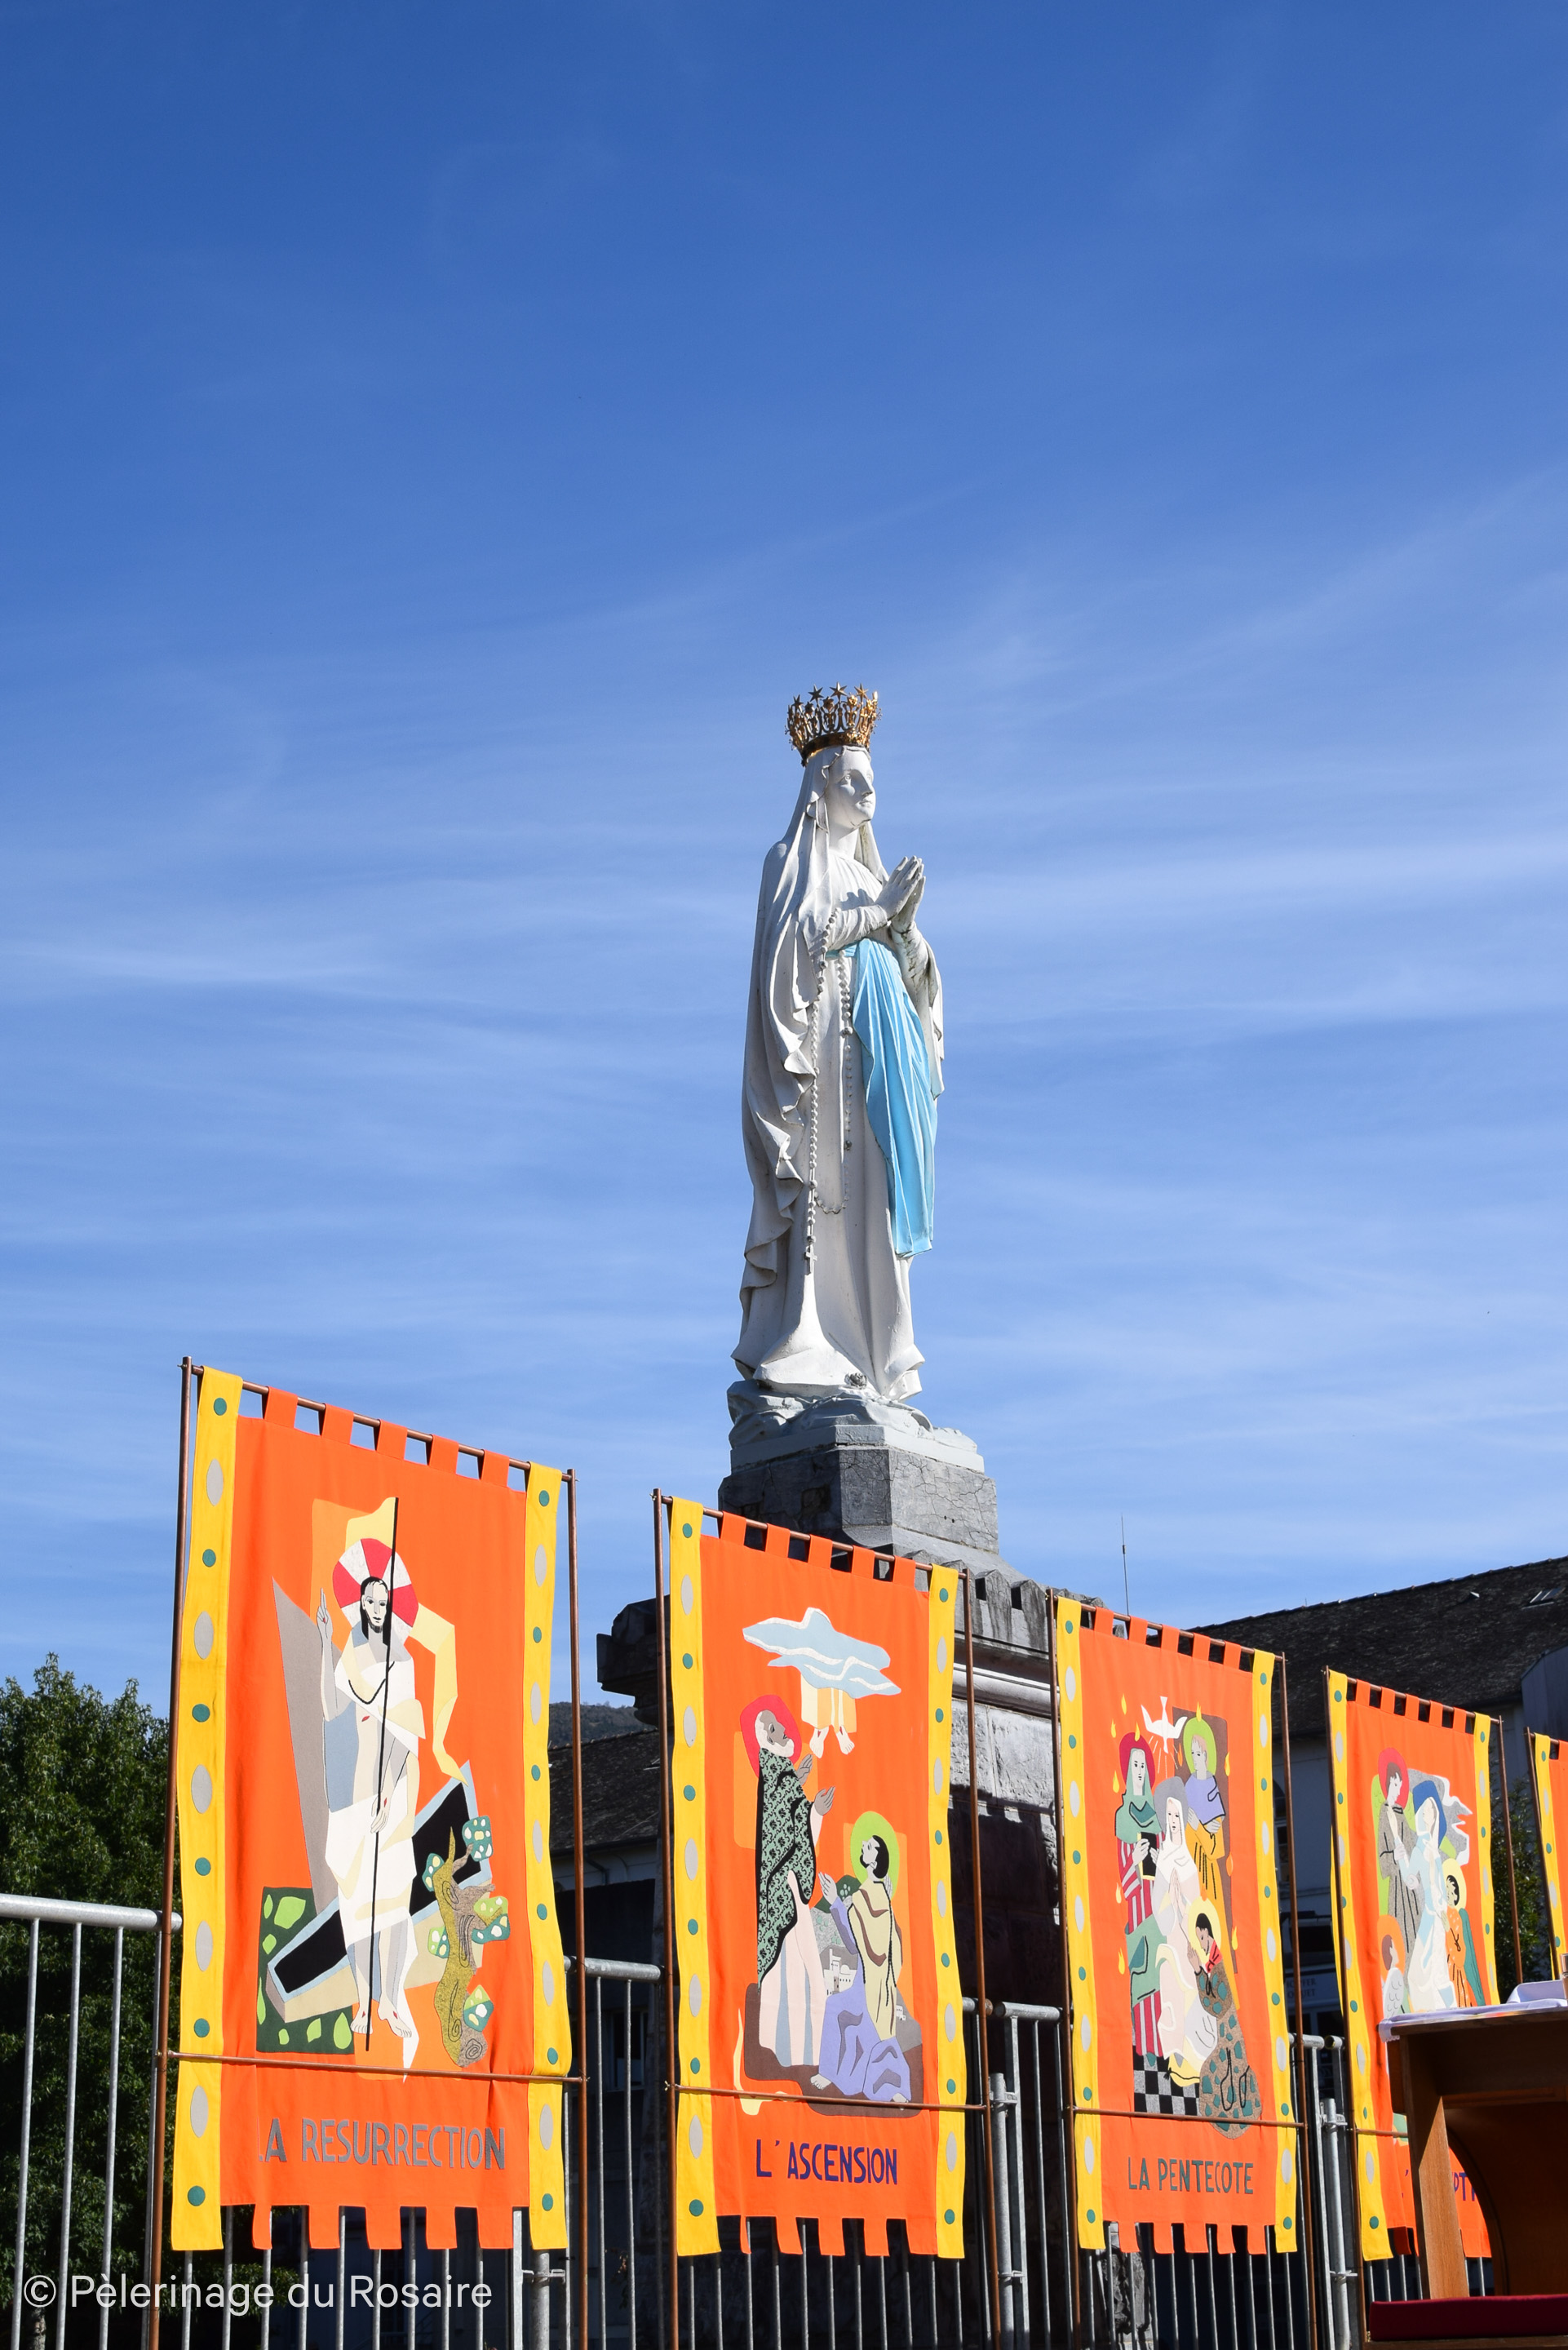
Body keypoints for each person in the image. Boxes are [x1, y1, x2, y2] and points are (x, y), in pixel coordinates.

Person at [736, 700, 944, 1406]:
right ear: (821, 783)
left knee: (875, 1201)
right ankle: (814, 1342)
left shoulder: (870, 876)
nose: (866, 791)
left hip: (884, 1062)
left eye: (871, 780)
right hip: (824, 1057)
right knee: (826, 1195)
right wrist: (879, 915)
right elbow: (798, 943)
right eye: (851, 778)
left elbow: (921, 982)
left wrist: (904, 931)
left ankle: (880, 1357)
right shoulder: (790, 862)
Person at [317, 1541, 424, 2065]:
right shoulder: (353, 1655)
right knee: (357, 1897)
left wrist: (387, 1789)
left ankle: (392, 1999)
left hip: (393, 1785)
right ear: (360, 1605)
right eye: (370, 1601)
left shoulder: (402, 1660)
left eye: (384, 1602)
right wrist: (325, 1643)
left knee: (394, 1895)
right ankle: (363, 1998)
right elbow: (330, 1706)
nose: (377, 1609)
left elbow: (405, 1733)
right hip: (356, 1785)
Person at [742, 1698, 835, 2067]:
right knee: (790, 1970)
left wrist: (811, 1802)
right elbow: (782, 1826)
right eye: (775, 1727)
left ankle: (808, 2054)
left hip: (791, 1885)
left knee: (806, 1971)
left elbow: (793, 1821)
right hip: (783, 1887)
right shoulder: (774, 1772)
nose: (784, 1730)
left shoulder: (780, 1773)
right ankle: (785, 2052)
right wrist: (810, 1803)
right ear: (767, 1736)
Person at [812, 1833, 910, 2101]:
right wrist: (836, 1903)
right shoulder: (871, 1895)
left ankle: (885, 2085)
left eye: (870, 1846)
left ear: (875, 1860)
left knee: (838, 2009)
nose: (864, 1847)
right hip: (869, 1981)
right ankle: (841, 2076)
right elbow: (863, 1945)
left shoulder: (869, 1896)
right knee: (841, 2011)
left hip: (872, 1985)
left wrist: (835, 1902)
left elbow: (858, 1944)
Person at [1152, 1779, 1216, 2086]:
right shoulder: (1164, 1861)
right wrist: (1172, 1905)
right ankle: (1176, 2059)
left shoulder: (1188, 1860)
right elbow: (1158, 1909)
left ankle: (1198, 2060)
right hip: (1173, 1941)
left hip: (1193, 1941)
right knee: (1172, 1986)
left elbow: (1198, 1904)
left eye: (1178, 1815)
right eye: (1170, 1816)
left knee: (1198, 1996)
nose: (1174, 1821)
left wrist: (1185, 1905)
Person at [1191, 1909, 1260, 2136]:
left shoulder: (1218, 1966)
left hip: (1229, 2035)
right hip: (1226, 2034)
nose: (1201, 1943)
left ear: (1207, 1932)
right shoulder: (1215, 1963)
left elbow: (1217, 2006)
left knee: (1222, 2072)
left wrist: (1198, 1971)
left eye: (1202, 1937)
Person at [1115, 1735, 1163, 2059]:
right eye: (1135, 1765)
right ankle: (1143, 2046)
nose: (1140, 1771)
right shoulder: (1122, 1816)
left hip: (1158, 1907)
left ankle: (1161, 2045)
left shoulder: (1156, 1817)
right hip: (1136, 1907)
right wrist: (1133, 1860)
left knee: (1162, 1972)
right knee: (1141, 1972)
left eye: (1143, 1765)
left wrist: (1160, 1861)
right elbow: (1119, 1872)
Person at [1396, 1780, 1457, 2013]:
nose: (1428, 1815)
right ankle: (1443, 2011)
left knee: (1435, 1970)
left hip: (1437, 1918)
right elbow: (1411, 1880)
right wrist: (1402, 1859)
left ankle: (1449, 2011)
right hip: (1430, 1919)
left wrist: (1443, 1910)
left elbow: (1439, 1887)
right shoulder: (1421, 1848)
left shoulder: (1434, 1850)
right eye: (1425, 1810)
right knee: (1421, 1973)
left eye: (1432, 1810)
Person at [1375, 1750, 1422, 1970]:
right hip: (1397, 1886)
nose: (1398, 1788)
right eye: (1395, 1784)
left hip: (1408, 1881)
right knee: (1400, 1930)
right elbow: (1382, 1854)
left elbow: (1411, 1843)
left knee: (1415, 1925)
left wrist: (1414, 1870)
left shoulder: (1400, 1812)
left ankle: (1414, 1972)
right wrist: (1394, 1856)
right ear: (1388, 1784)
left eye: (1400, 1784)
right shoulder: (1384, 1813)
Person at [1180, 1714, 1228, 1924]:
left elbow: (1216, 1850)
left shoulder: (1212, 1793)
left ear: (1207, 1756)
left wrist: (1198, 1826)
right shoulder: (1188, 1787)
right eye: (1192, 1754)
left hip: (1207, 1876)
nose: (1195, 1759)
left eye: (1198, 1754)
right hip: (1190, 1873)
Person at [1443, 1866, 1483, 2008]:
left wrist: (1448, 1930)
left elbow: (1461, 1956)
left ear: (1456, 1896)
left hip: (1454, 1973)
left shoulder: (1457, 1918)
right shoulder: (1443, 1910)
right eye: (1446, 1889)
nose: (1448, 1894)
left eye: (1452, 1892)